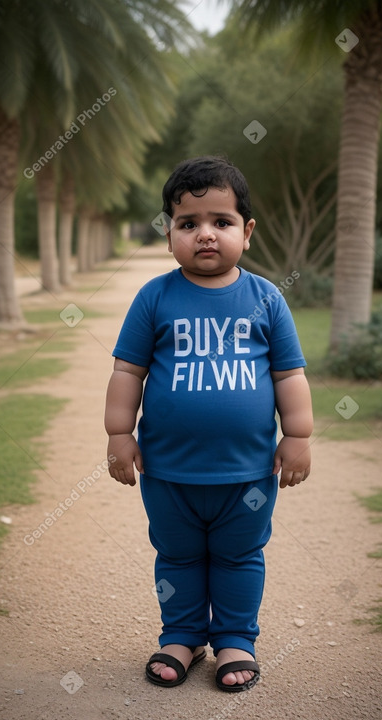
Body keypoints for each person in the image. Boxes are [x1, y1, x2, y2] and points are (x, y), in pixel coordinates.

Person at [104, 155, 313, 692]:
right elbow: (128, 370)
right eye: (187, 223)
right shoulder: (155, 297)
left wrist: (298, 436)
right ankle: (181, 634)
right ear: (169, 232)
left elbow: (289, 375)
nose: (205, 235)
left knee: (240, 556)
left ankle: (235, 640)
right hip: (169, 472)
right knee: (176, 555)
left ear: (246, 232)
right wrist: (118, 433)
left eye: (220, 222)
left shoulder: (267, 298)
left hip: (246, 476)